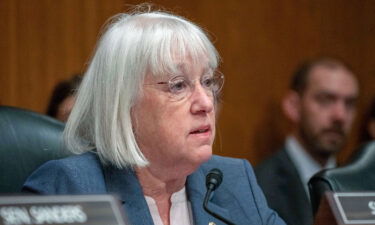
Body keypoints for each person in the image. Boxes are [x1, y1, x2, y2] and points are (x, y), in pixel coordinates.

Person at [23, 8, 286, 225]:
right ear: (122, 101)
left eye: (207, 81)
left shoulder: (233, 180)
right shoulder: (70, 187)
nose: (206, 102)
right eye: (178, 85)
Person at [254, 57, 359, 225]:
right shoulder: (258, 187)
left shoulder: (359, 187)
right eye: (325, 99)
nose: (340, 115)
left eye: (349, 103)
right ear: (294, 106)